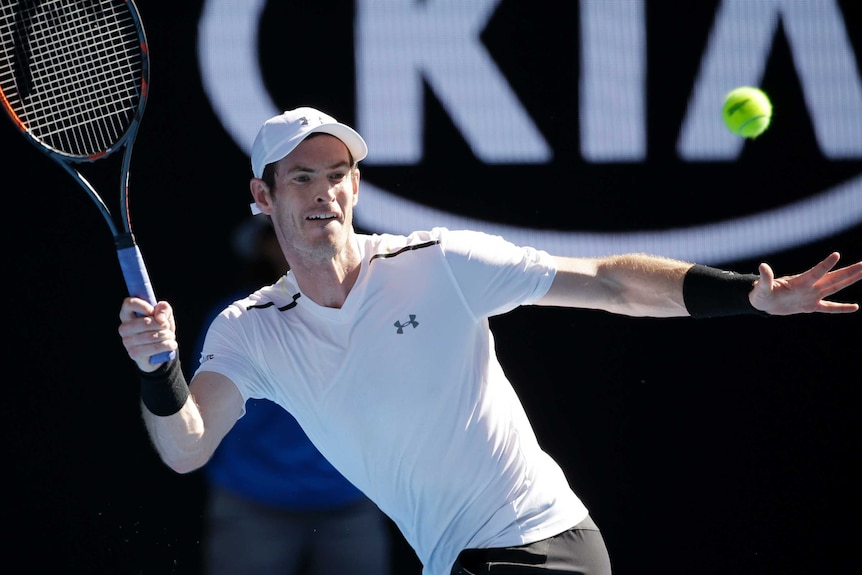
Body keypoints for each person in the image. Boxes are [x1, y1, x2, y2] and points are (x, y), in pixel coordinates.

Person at [119, 107, 862, 575]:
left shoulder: (438, 262)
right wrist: (159, 369)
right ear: (263, 195)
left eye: (339, 174)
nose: (325, 194)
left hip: (543, 542)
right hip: (460, 560)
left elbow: (607, 281)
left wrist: (751, 296)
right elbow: (187, 446)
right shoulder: (251, 330)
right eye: (303, 177)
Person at [196, 217, 391, 575]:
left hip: (351, 502)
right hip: (252, 504)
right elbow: (200, 422)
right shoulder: (233, 322)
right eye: (281, 235)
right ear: (265, 248)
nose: (296, 245)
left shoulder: (373, 311)